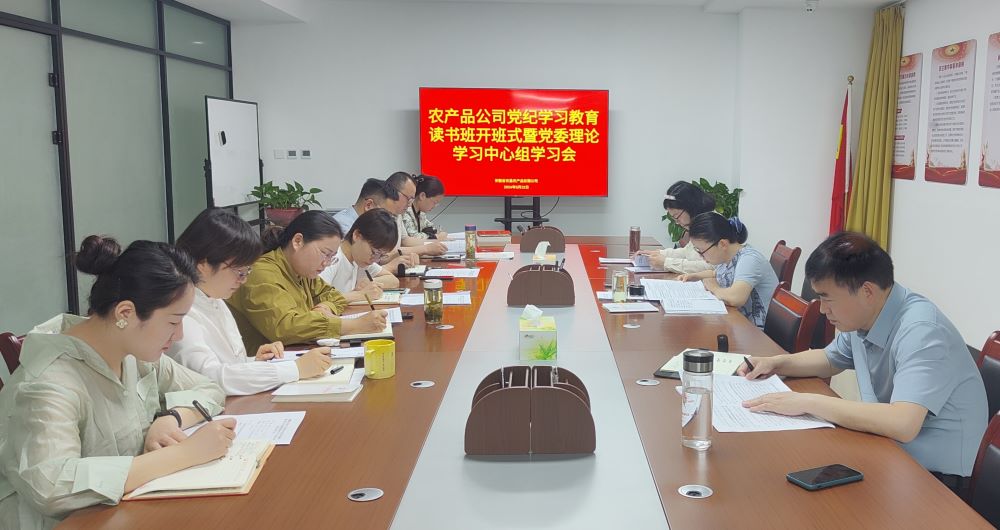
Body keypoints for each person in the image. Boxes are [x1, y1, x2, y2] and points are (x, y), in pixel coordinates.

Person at [0, 236, 234, 527]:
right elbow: (52, 487)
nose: (180, 335)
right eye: (174, 321)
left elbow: (209, 389)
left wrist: (171, 418)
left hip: (126, 507)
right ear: (125, 313)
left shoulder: (133, 352)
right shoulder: (49, 382)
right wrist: (184, 454)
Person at [738, 232, 987, 490]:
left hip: (938, 481)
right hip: (889, 450)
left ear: (867, 291)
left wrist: (806, 402)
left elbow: (903, 423)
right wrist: (776, 363)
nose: (822, 309)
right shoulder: (867, 314)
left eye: (827, 298)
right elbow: (829, 359)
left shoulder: (922, 331)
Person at [167, 208, 335, 396]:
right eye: (239, 272)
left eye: (247, 272)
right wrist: (294, 369)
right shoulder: (180, 312)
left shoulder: (214, 297)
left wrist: (254, 362)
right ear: (203, 265)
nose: (244, 280)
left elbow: (229, 365)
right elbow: (209, 377)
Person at [227, 210, 387, 353]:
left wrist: (325, 307)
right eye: (325, 254)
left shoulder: (302, 271)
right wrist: (354, 325)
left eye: (331, 257)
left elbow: (333, 295)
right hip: (263, 366)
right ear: (297, 241)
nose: (326, 263)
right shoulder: (262, 274)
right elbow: (285, 327)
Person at [676, 212, 777, 328]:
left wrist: (714, 287)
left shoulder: (749, 259)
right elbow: (716, 273)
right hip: (737, 322)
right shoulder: (728, 257)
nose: (701, 256)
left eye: (701, 251)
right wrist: (694, 276)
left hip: (756, 333)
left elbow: (736, 298)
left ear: (722, 244)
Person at [334, 178, 418, 271]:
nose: (387, 220)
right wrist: (390, 267)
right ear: (369, 205)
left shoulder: (368, 226)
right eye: (385, 213)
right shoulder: (342, 227)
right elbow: (363, 270)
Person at [319, 208, 400, 303]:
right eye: (375, 252)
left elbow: (393, 281)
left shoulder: (359, 259)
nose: (375, 260)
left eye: (381, 255)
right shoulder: (332, 258)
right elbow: (318, 299)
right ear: (357, 235)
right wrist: (360, 295)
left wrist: (371, 282)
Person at [635, 181, 716, 274]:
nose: (677, 222)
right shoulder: (699, 224)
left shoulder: (713, 224)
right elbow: (687, 253)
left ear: (690, 207)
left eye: (677, 216)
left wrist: (667, 263)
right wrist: (658, 254)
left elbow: (710, 267)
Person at [385, 171, 448, 257]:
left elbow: (405, 239)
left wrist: (433, 242)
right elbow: (386, 255)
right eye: (408, 198)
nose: (409, 203)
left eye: (412, 198)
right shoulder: (394, 213)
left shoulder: (399, 213)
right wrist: (431, 242)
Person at [401, 174, 448, 241]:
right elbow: (413, 237)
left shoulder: (421, 213)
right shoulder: (405, 211)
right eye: (435, 202)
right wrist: (436, 237)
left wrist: (436, 233)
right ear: (422, 196)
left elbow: (429, 228)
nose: (435, 206)